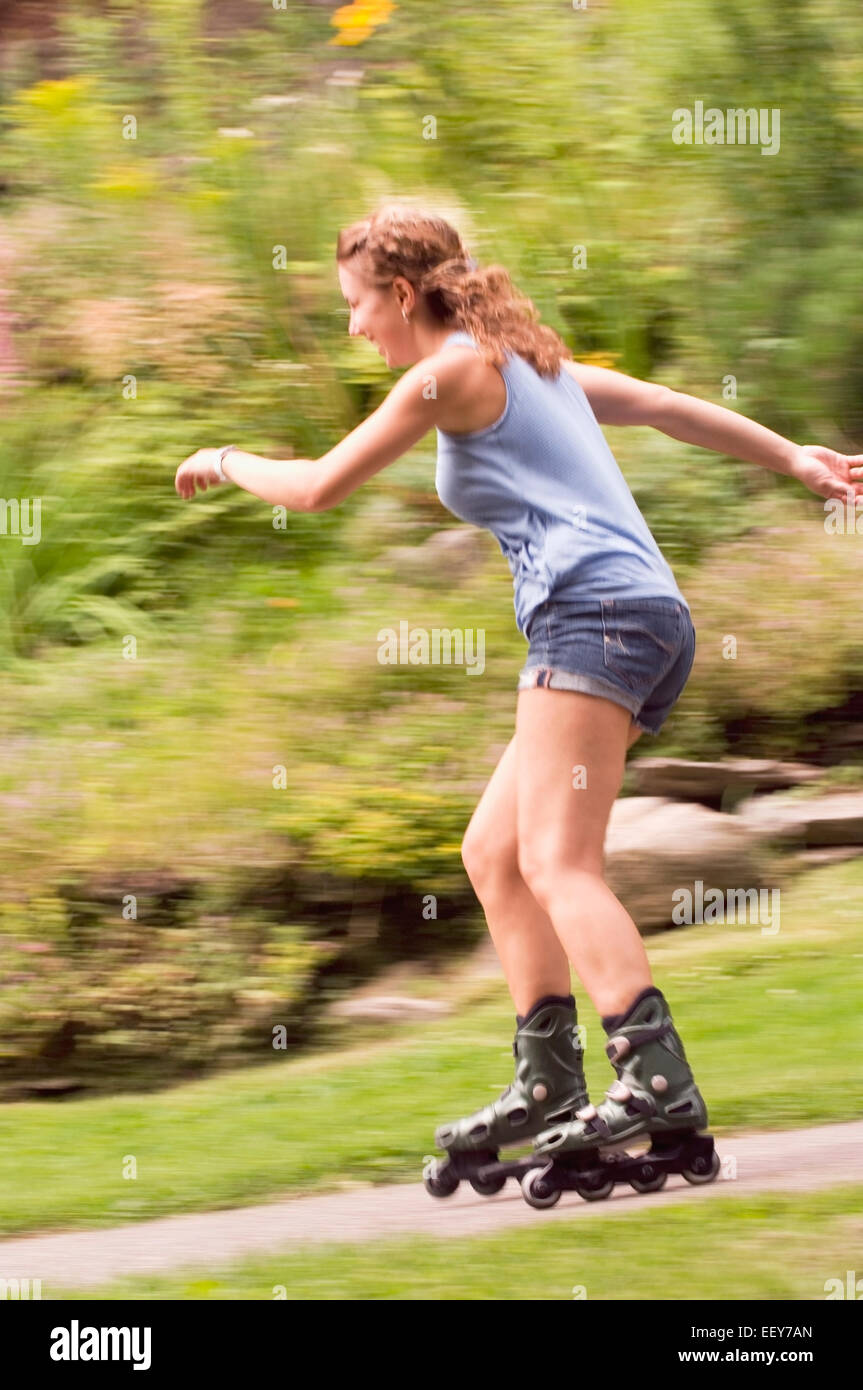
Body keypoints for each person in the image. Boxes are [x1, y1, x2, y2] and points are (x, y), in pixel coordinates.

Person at [175, 203, 863, 1184]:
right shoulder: (526, 363)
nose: (352, 327)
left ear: (402, 295)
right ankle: (548, 1082)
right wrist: (792, 457)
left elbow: (321, 485)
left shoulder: (448, 370)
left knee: (555, 861)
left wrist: (223, 459)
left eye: (354, 305)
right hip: (626, 617)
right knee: (492, 850)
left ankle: (655, 1082)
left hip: (594, 619)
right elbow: (667, 405)